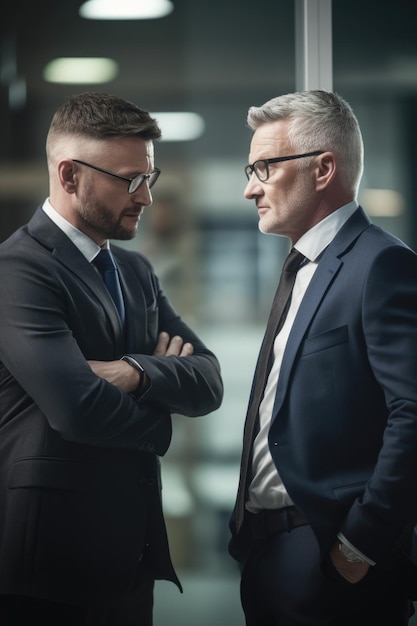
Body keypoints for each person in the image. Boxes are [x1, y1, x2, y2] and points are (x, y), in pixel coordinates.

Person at [0, 91, 223, 626]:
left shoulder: (137, 272)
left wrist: (132, 371)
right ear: (71, 175)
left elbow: (208, 379)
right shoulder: (19, 271)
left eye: (150, 177)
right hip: (49, 568)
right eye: (130, 180)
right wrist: (162, 408)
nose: (146, 197)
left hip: (128, 560)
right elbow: (77, 408)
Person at [228, 89, 417, 625]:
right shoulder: (305, 266)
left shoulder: (382, 266)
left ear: (323, 169)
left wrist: (358, 548)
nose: (250, 189)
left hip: (330, 558)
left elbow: (414, 415)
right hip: (269, 554)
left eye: (264, 167)